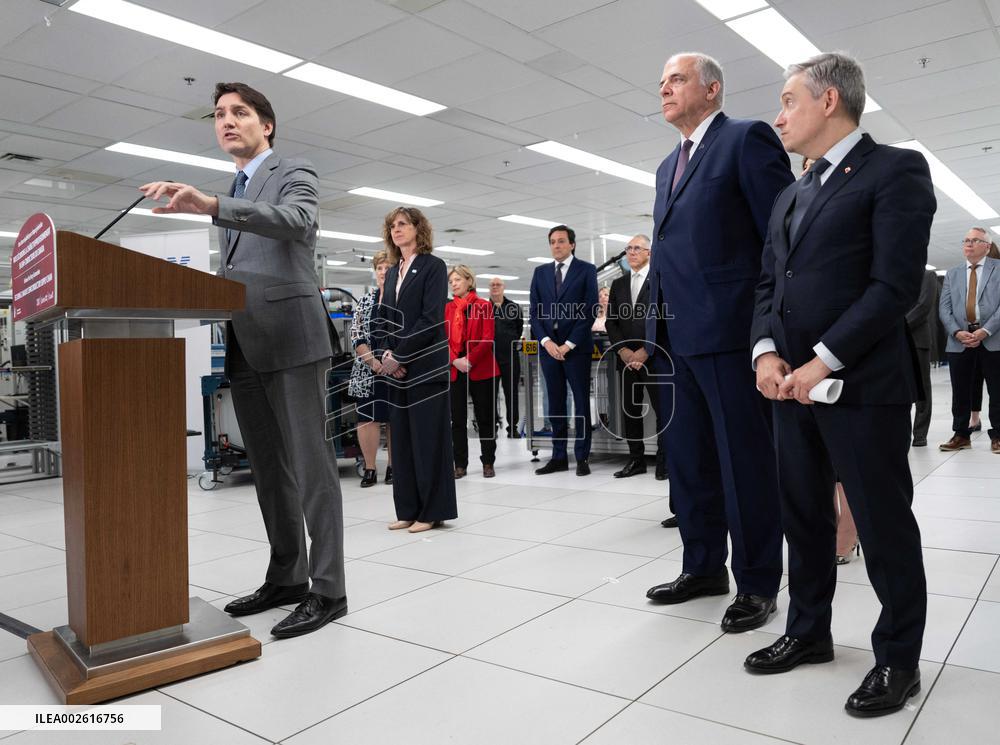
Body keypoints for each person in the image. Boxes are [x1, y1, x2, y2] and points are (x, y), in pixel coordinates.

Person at [748, 52, 934, 717]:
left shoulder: (895, 170)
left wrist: (821, 361)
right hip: (789, 389)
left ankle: (897, 657)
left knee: (882, 524)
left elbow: (893, 287)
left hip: (862, 385)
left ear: (830, 101)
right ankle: (807, 629)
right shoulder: (790, 192)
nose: (779, 115)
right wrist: (767, 354)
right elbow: (770, 285)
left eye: (789, 100)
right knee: (802, 515)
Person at [140, 82, 347, 638]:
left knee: (311, 469)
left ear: (267, 125)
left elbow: (298, 221)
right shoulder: (235, 185)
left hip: (294, 337)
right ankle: (288, 577)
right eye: (219, 115)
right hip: (245, 342)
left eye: (240, 113)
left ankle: (330, 589)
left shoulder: (293, 171)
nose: (226, 121)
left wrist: (211, 206)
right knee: (268, 473)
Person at [643, 52, 791, 634]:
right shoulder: (665, 167)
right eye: (661, 83)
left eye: (676, 79)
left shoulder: (745, 139)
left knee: (743, 463)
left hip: (731, 333)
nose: (665, 90)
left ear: (712, 89)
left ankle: (757, 582)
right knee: (689, 462)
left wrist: (767, 334)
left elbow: (778, 242)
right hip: (676, 335)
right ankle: (702, 566)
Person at [375, 206, 457, 533]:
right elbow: (383, 317)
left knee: (428, 442)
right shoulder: (393, 271)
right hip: (398, 369)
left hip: (424, 368)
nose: (397, 230)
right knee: (404, 443)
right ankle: (407, 508)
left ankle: (432, 511)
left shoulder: (433, 266)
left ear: (418, 229)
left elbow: (431, 317)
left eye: (403, 224)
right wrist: (385, 355)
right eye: (393, 225)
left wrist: (401, 356)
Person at [529, 225, 599, 476]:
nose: (556, 245)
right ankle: (559, 456)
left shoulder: (586, 271)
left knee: (580, 402)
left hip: (576, 347)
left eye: (561, 241)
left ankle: (582, 457)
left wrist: (569, 344)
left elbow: (590, 309)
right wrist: (547, 341)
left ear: (572, 244)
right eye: (552, 242)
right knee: (555, 403)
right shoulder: (540, 273)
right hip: (549, 348)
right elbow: (535, 313)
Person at [604, 235, 669, 485]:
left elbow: (664, 319)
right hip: (626, 359)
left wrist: (645, 350)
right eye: (628, 248)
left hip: (654, 358)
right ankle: (636, 460)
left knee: (663, 411)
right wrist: (623, 351)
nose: (631, 252)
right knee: (630, 411)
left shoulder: (660, 280)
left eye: (637, 248)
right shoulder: (618, 284)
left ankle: (664, 462)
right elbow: (612, 321)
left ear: (649, 253)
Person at [938, 228, 1000, 454]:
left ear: (986, 245)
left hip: (993, 339)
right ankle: (961, 434)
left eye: (975, 240)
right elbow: (944, 308)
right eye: (966, 240)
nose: (969, 244)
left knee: (997, 389)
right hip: (960, 341)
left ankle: (998, 435)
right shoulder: (953, 274)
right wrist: (956, 332)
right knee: (961, 389)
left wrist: (985, 330)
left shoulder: (998, 269)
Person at [446, 265, 501, 479]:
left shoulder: (483, 306)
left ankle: (488, 462)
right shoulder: (448, 308)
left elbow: (488, 338)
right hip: (456, 369)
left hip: (482, 368)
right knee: (457, 420)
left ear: (469, 281)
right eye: (451, 281)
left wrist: (469, 360)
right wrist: (455, 361)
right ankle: (460, 464)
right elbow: (444, 340)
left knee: (485, 418)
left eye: (458, 279)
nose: (454, 284)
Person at [349, 250, 394, 487]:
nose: (383, 272)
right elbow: (355, 333)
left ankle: (393, 467)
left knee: (394, 420)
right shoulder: (365, 301)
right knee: (367, 419)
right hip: (367, 371)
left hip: (395, 369)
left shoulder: (401, 300)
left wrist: (389, 362)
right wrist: (372, 362)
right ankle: (369, 468)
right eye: (380, 268)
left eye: (388, 267)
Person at [966, 240, 1000, 435]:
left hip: (994, 334)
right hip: (973, 334)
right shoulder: (972, 274)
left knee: (994, 384)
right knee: (974, 379)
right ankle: (974, 418)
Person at [908, 268, 939, 447]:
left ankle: (920, 434)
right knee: (900, 387)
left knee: (922, 388)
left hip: (917, 339)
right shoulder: (894, 273)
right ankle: (901, 431)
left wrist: (897, 326)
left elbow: (923, 306)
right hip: (894, 341)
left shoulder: (927, 276)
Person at [489, 277, 523, 438]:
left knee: (511, 393)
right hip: (489, 358)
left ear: (504, 287)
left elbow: (519, 329)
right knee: (490, 394)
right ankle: (493, 425)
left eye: (498, 285)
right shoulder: (483, 307)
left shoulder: (514, 308)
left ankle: (513, 427)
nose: (495, 287)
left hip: (510, 357)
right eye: (492, 285)